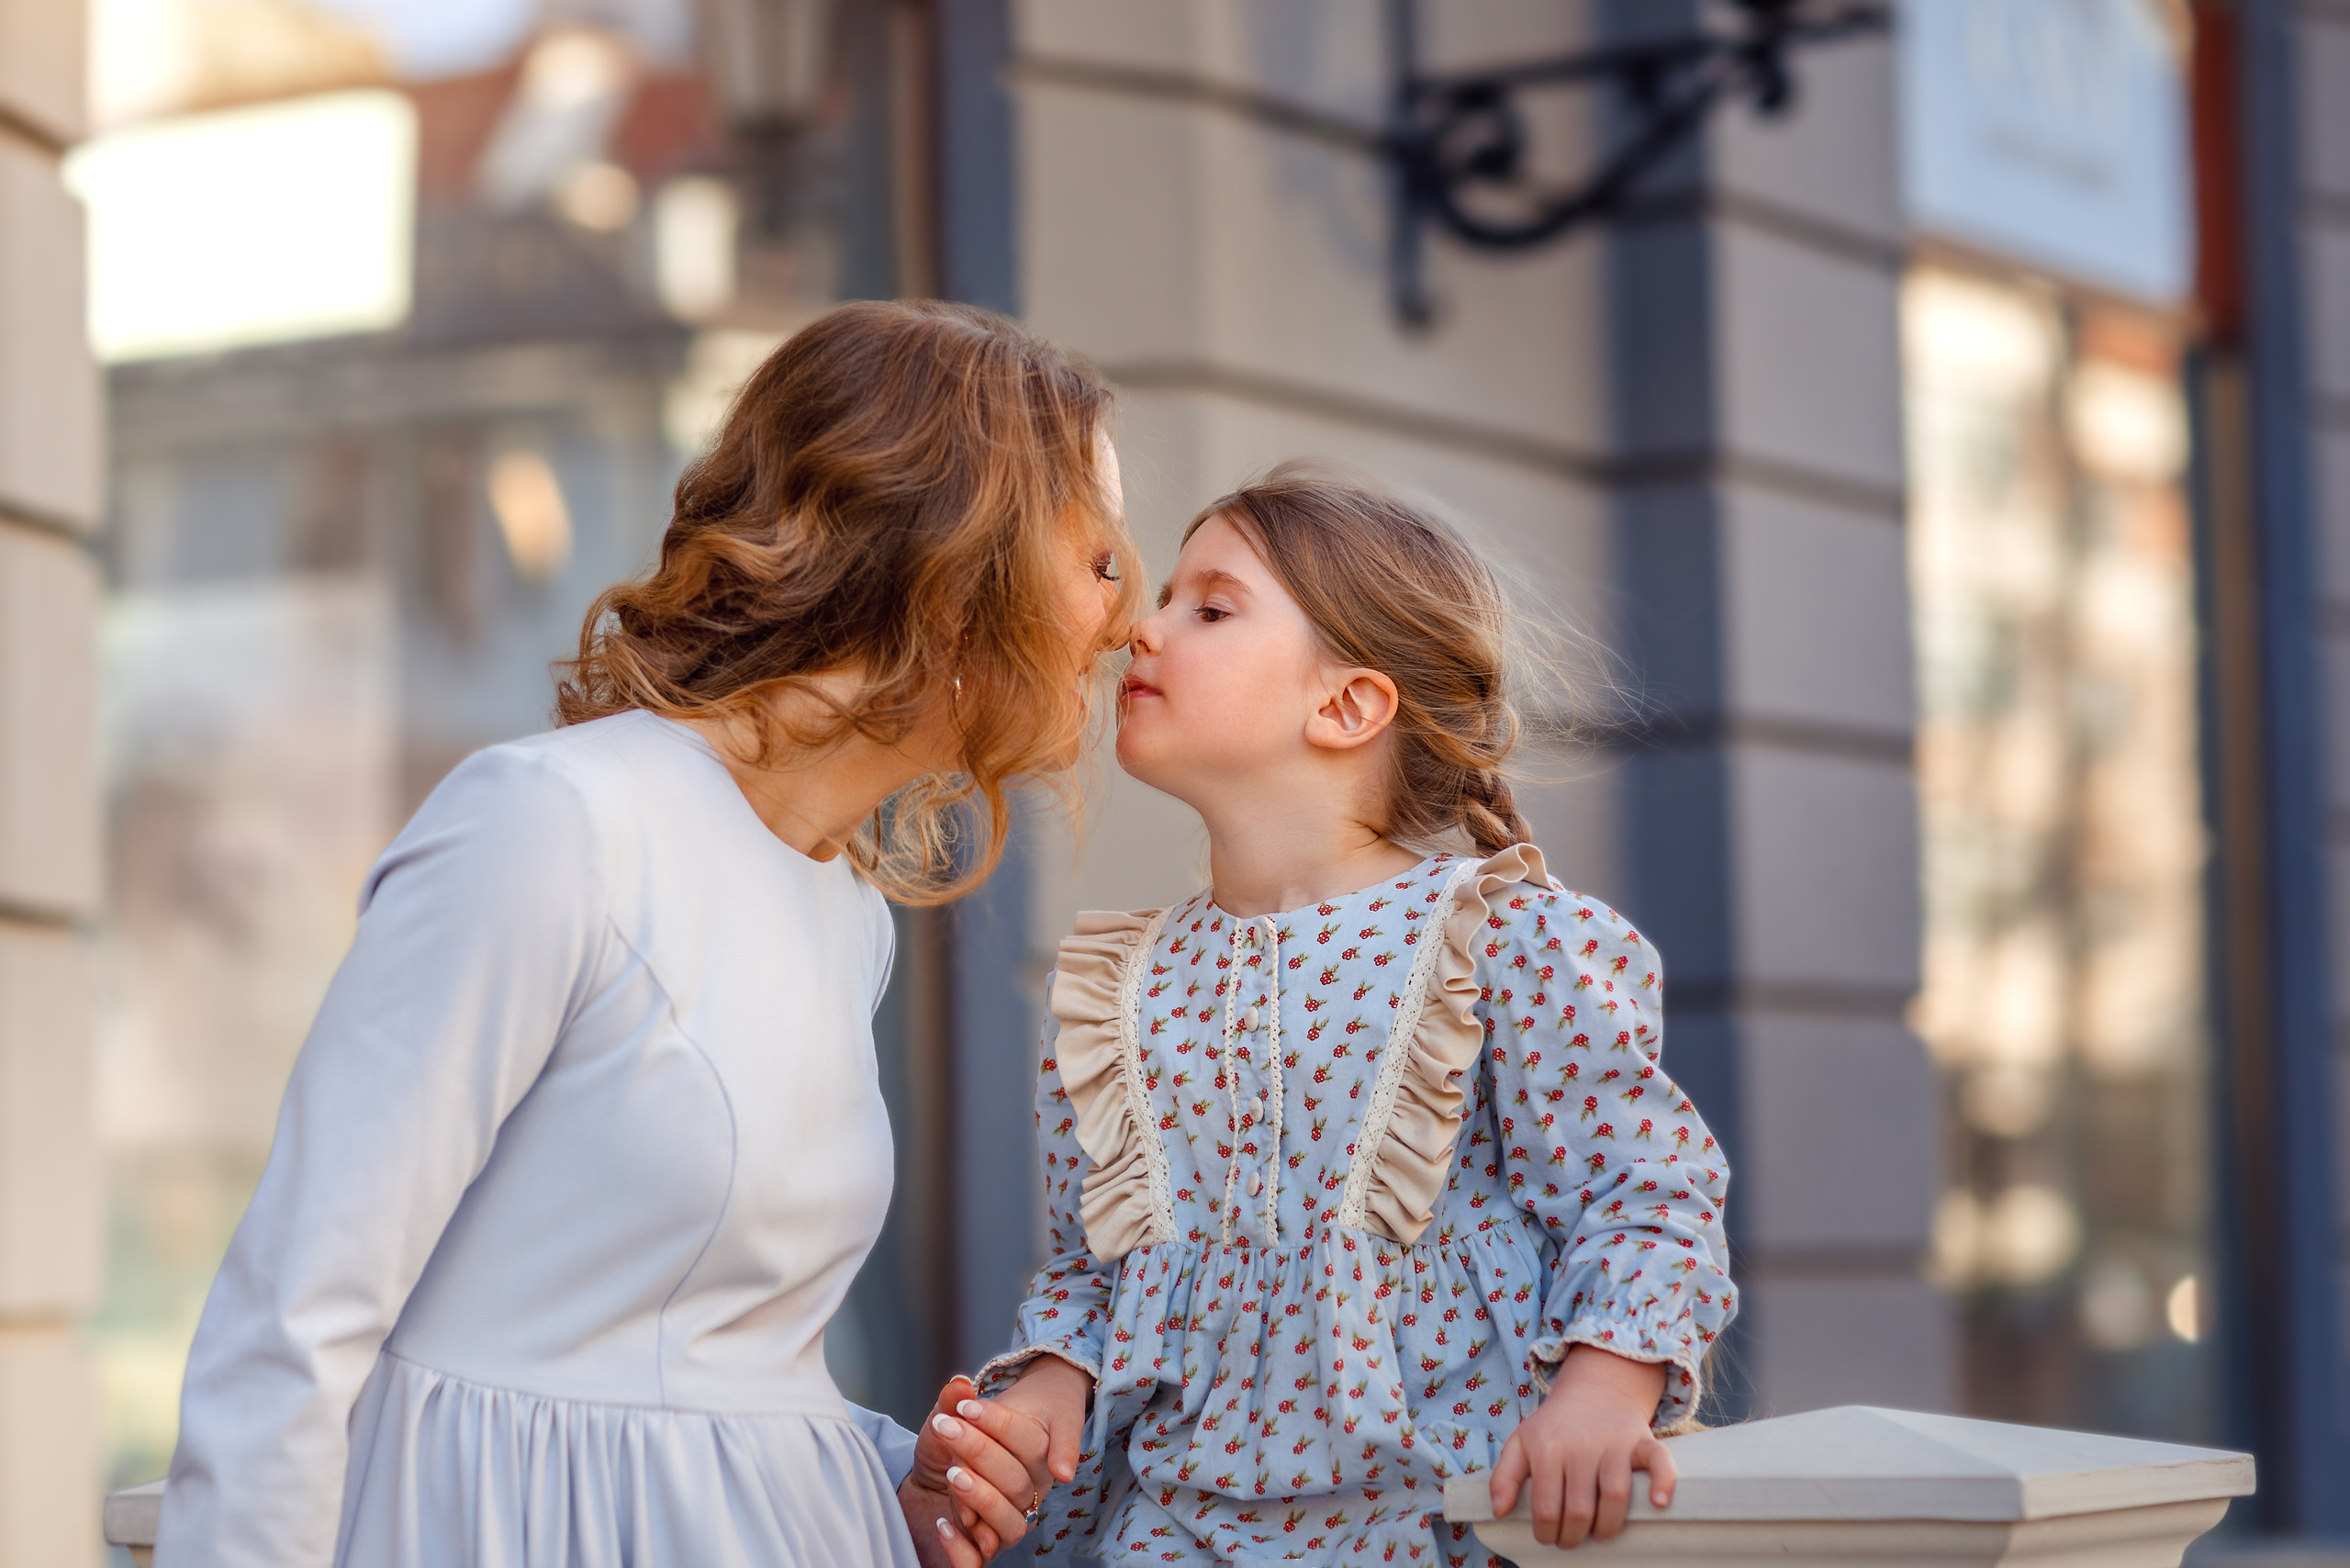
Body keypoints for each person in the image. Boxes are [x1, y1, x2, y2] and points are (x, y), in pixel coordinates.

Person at [155, 301, 1145, 1568]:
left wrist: (893, 1480)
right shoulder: (552, 825)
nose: (1127, 620)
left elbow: (711, 1371)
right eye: (1098, 559)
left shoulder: (846, 911)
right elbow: (292, 1323)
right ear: (958, 561)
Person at [975, 467, 1738, 1563]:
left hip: (1454, 1513)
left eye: (1210, 607)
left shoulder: (1501, 940)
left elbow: (1642, 1195)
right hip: (1176, 1526)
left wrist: (1603, 1393)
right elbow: (1097, 1277)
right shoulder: (1115, 991)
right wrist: (1046, 1388)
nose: (1142, 627)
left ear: (1345, 705)